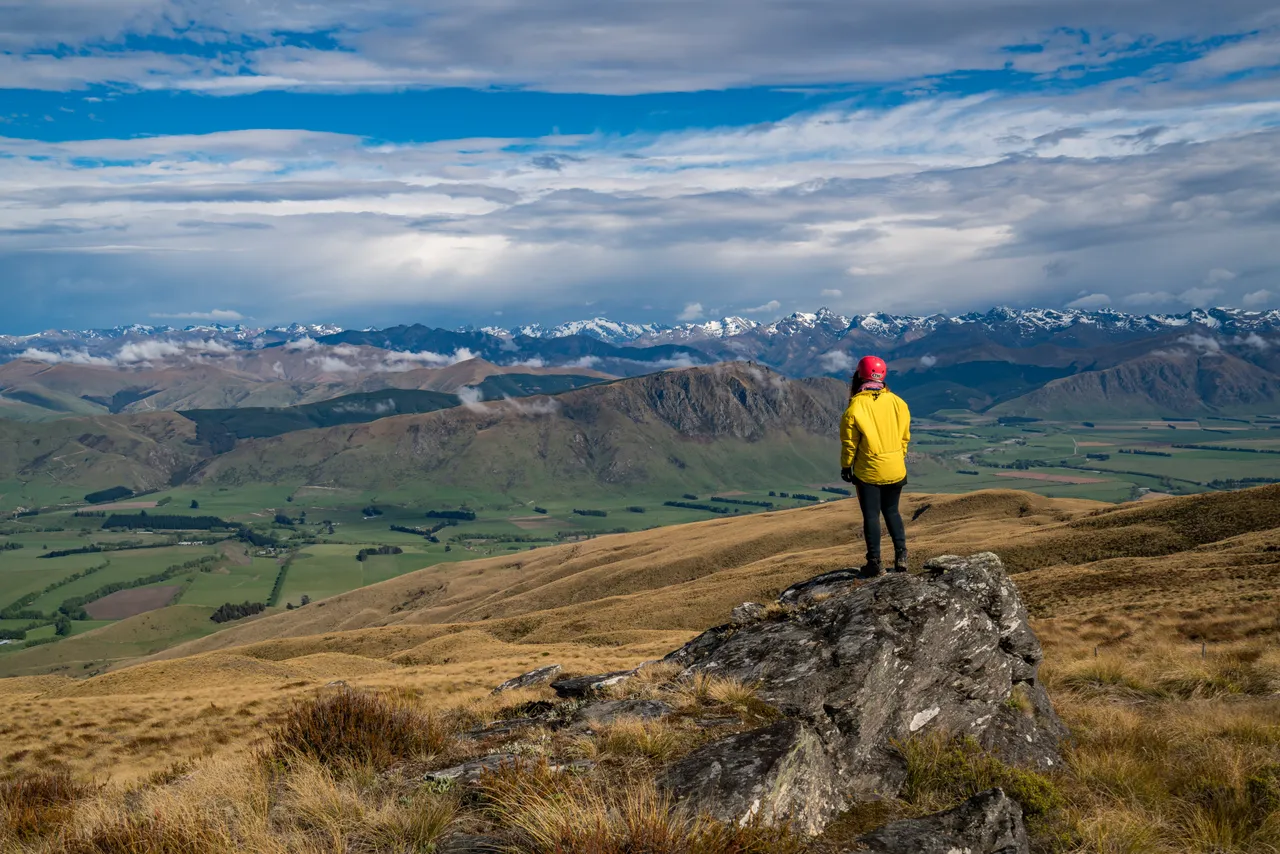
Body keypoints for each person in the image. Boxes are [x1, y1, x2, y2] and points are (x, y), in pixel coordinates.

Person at [840, 355, 911, 576]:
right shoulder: (899, 403)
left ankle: (875, 563)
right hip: (896, 468)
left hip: (869, 472)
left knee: (871, 516)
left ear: (859, 376)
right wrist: (897, 457)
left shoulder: (856, 406)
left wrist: (846, 467)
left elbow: (850, 443)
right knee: (892, 512)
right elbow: (904, 438)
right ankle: (901, 556)